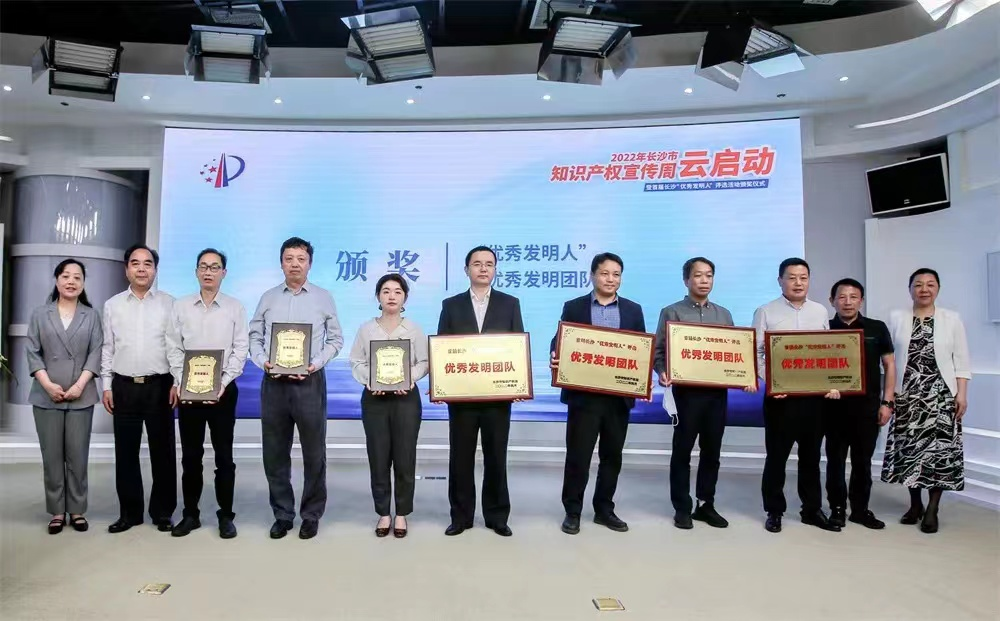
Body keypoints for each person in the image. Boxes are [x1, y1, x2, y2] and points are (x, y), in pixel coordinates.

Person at [249, 237, 343, 540]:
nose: (295, 264)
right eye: (289, 258)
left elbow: (336, 339)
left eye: (301, 259)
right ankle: (282, 514)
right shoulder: (267, 298)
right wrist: (263, 362)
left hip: (309, 382)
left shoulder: (323, 297)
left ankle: (311, 514)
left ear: (309, 264)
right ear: (281, 263)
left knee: (314, 453)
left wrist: (315, 363)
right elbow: (254, 336)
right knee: (275, 452)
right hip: (274, 383)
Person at [653, 257, 757, 530]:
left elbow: (734, 352)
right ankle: (682, 507)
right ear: (686, 280)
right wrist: (661, 371)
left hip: (716, 395)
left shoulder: (724, 315)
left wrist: (746, 376)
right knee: (682, 452)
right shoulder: (671, 312)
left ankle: (705, 504)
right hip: (686, 395)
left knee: (712, 452)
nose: (704, 280)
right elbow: (659, 352)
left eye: (709, 275)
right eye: (698, 275)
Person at [549, 253, 645, 535]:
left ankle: (604, 509)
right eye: (605, 273)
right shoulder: (574, 306)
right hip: (584, 397)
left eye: (616, 274)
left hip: (618, 398)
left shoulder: (633, 310)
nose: (610, 279)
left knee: (612, 456)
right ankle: (573, 511)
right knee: (578, 456)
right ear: (592, 275)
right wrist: (555, 354)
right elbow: (560, 340)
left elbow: (641, 348)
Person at [438, 245, 524, 537]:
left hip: (497, 398)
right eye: (477, 263)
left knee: (496, 456)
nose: (483, 268)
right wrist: (442, 386)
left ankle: (497, 516)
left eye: (489, 263)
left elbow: (516, 347)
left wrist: (518, 383)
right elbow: (443, 349)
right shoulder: (451, 305)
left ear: (495, 269)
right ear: (467, 270)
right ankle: (460, 516)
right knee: (460, 458)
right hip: (462, 398)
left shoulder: (510, 303)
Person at [752, 257, 841, 534]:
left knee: (811, 457)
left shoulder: (820, 311)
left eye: (803, 278)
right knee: (776, 457)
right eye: (792, 278)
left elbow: (828, 351)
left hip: (814, 400)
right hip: (780, 400)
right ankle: (774, 511)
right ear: (780, 281)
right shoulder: (765, 311)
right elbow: (756, 353)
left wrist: (831, 382)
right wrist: (773, 383)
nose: (798, 283)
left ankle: (811, 510)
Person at [166, 249, 249, 539]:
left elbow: (241, 348)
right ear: (196, 272)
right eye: (203, 266)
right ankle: (191, 514)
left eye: (214, 267)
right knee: (191, 456)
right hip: (189, 391)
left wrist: (222, 383)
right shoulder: (180, 307)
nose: (208, 272)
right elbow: (173, 347)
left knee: (224, 457)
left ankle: (226, 515)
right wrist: (182, 380)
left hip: (223, 391)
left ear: (224, 273)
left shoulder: (235, 307)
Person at [881, 268, 970, 534]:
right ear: (910, 289)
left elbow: (961, 360)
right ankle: (915, 504)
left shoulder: (951, 319)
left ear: (938, 289)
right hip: (907, 396)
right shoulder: (896, 318)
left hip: (941, 396)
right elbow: (888, 361)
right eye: (918, 284)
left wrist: (961, 394)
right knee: (911, 451)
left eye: (930, 284)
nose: (924, 289)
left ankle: (932, 508)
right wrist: (887, 396)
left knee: (940, 453)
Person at [101, 244, 178, 534]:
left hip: (160, 386)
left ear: (155, 270)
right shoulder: (113, 305)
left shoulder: (170, 304)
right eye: (135, 263)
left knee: (163, 453)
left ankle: (162, 512)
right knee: (126, 454)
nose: (142, 269)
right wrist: (106, 385)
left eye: (148, 264)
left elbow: (177, 347)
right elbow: (107, 348)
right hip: (123, 386)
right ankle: (130, 514)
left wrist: (177, 382)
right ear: (127, 269)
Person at [25, 259, 103, 534]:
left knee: (78, 456)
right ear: (57, 280)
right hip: (46, 395)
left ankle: (77, 510)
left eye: (77, 277)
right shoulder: (40, 314)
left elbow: (96, 352)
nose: (71, 281)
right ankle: (57, 511)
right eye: (66, 276)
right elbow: (32, 352)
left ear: (83, 283)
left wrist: (80, 385)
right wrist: (47, 384)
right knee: (52, 457)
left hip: (81, 395)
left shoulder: (91, 315)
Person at [349, 274, 428, 539]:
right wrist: (370, 380)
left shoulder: (414, 329)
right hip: (375, 400)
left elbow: (424, 362)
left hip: (406, 400)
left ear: (405, 297)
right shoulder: (366, 329)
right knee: (378, 457)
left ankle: (402, 512)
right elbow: (356, 362)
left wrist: (410, 378)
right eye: (385, 291)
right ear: (378, 296)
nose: (391, 296)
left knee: (405, 457)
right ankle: (383, 512)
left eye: (397, 291)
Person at [824, 278, 895, 530]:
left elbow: (889, 365)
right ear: (832, 301)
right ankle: (837, 509)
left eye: (853, 297)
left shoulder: (876, 328)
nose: (847, 302)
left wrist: (888, 402)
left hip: (867, 407)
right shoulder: (823, 328)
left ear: (861, 301)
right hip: (833, 408)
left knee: (863, 462)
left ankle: (860, 510)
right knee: (835, 461)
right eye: (841, 297)